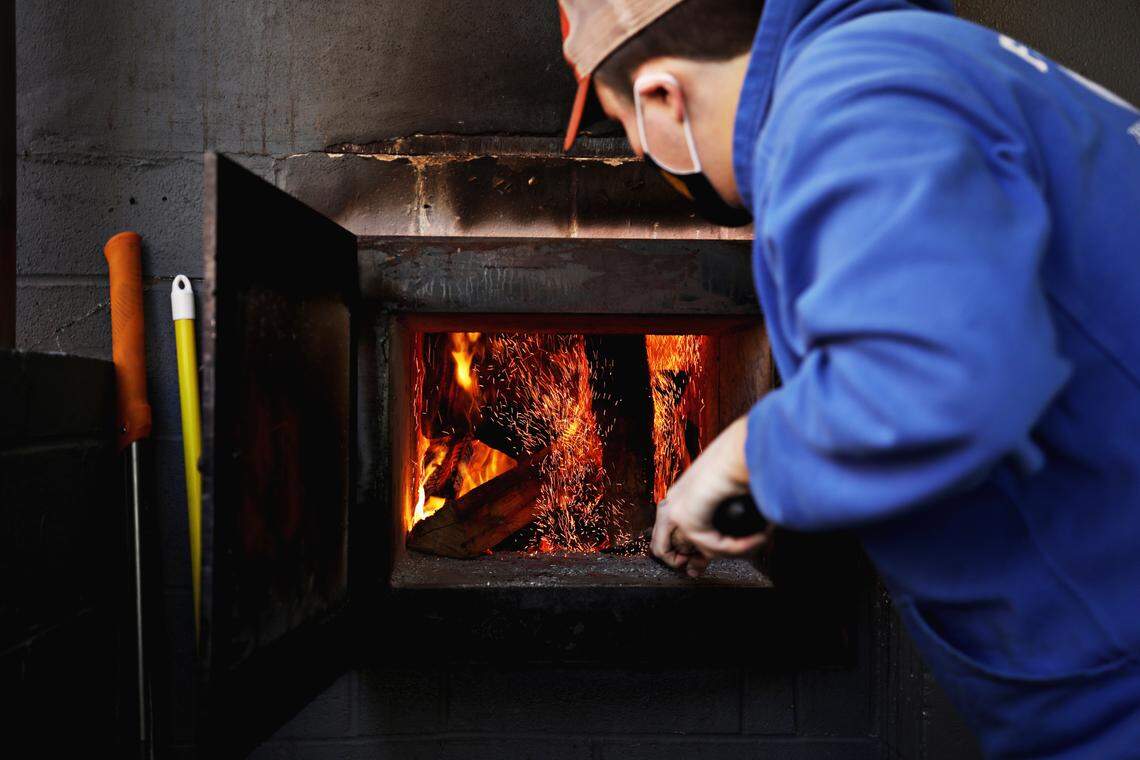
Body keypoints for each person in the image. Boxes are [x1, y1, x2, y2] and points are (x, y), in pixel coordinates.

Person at [558, 0, 1140, 757]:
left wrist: (751, 457)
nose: (636, 152)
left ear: (662, 95)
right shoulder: (894, 65)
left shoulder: (846, 99)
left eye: (621, 121)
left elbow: (942, 373)